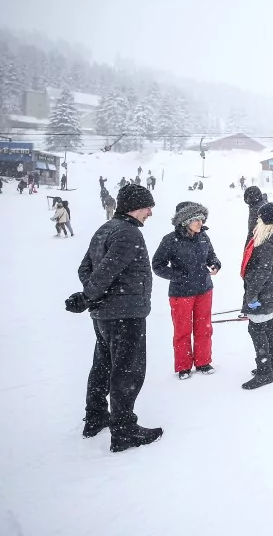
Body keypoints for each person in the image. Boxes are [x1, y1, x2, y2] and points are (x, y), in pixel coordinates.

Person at [68, 183, 162, 452]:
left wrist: (92, 296)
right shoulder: (128, 233)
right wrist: (90, 295)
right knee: (128, 371)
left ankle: (96, 416)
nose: (150, 213)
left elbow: (85, 268)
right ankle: (124, 430)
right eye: (148, 207)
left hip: (105, 315)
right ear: (135, 207)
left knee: (103, 365)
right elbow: (106, 271)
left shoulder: (106, 228)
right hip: (126, 314)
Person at [152, 201, 221, 379]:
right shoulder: (170, 240)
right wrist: (178, 276)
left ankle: (203, 362)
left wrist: (215, 264)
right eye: (196, 219)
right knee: (182, 330)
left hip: (204, 289)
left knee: (204, 328)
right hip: (181, 293)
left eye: (201, 218)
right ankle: (183, 366)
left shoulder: (204, 236)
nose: (200, 222)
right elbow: (158, 265)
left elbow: (211, 256)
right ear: (184, 221)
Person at [239, 199, 273, 390]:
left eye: (260, 216)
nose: (257, 219)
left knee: (256, 329)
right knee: (269, 325)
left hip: (265, 290)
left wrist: (251, 295)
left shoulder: (267, 241)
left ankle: (265, 371)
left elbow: (261, 272)